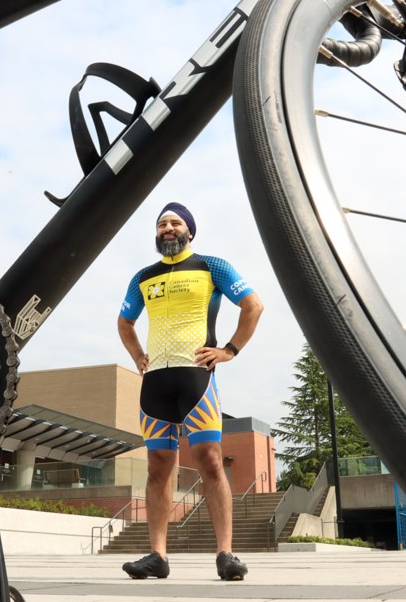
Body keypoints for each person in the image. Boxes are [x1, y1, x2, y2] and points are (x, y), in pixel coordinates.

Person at [117, 202, 264, 581]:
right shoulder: (142, 277)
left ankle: (226, 554)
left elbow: (253, 306)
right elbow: (124, 322)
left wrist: (229, 350)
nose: (167, 227)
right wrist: (137, 356)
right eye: (161, 223)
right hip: (156, 383)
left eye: (175, 222)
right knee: (157, 467)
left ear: (189, 232)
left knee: (210, 461)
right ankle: (157, 556)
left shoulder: (211, 266)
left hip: (197, 378)